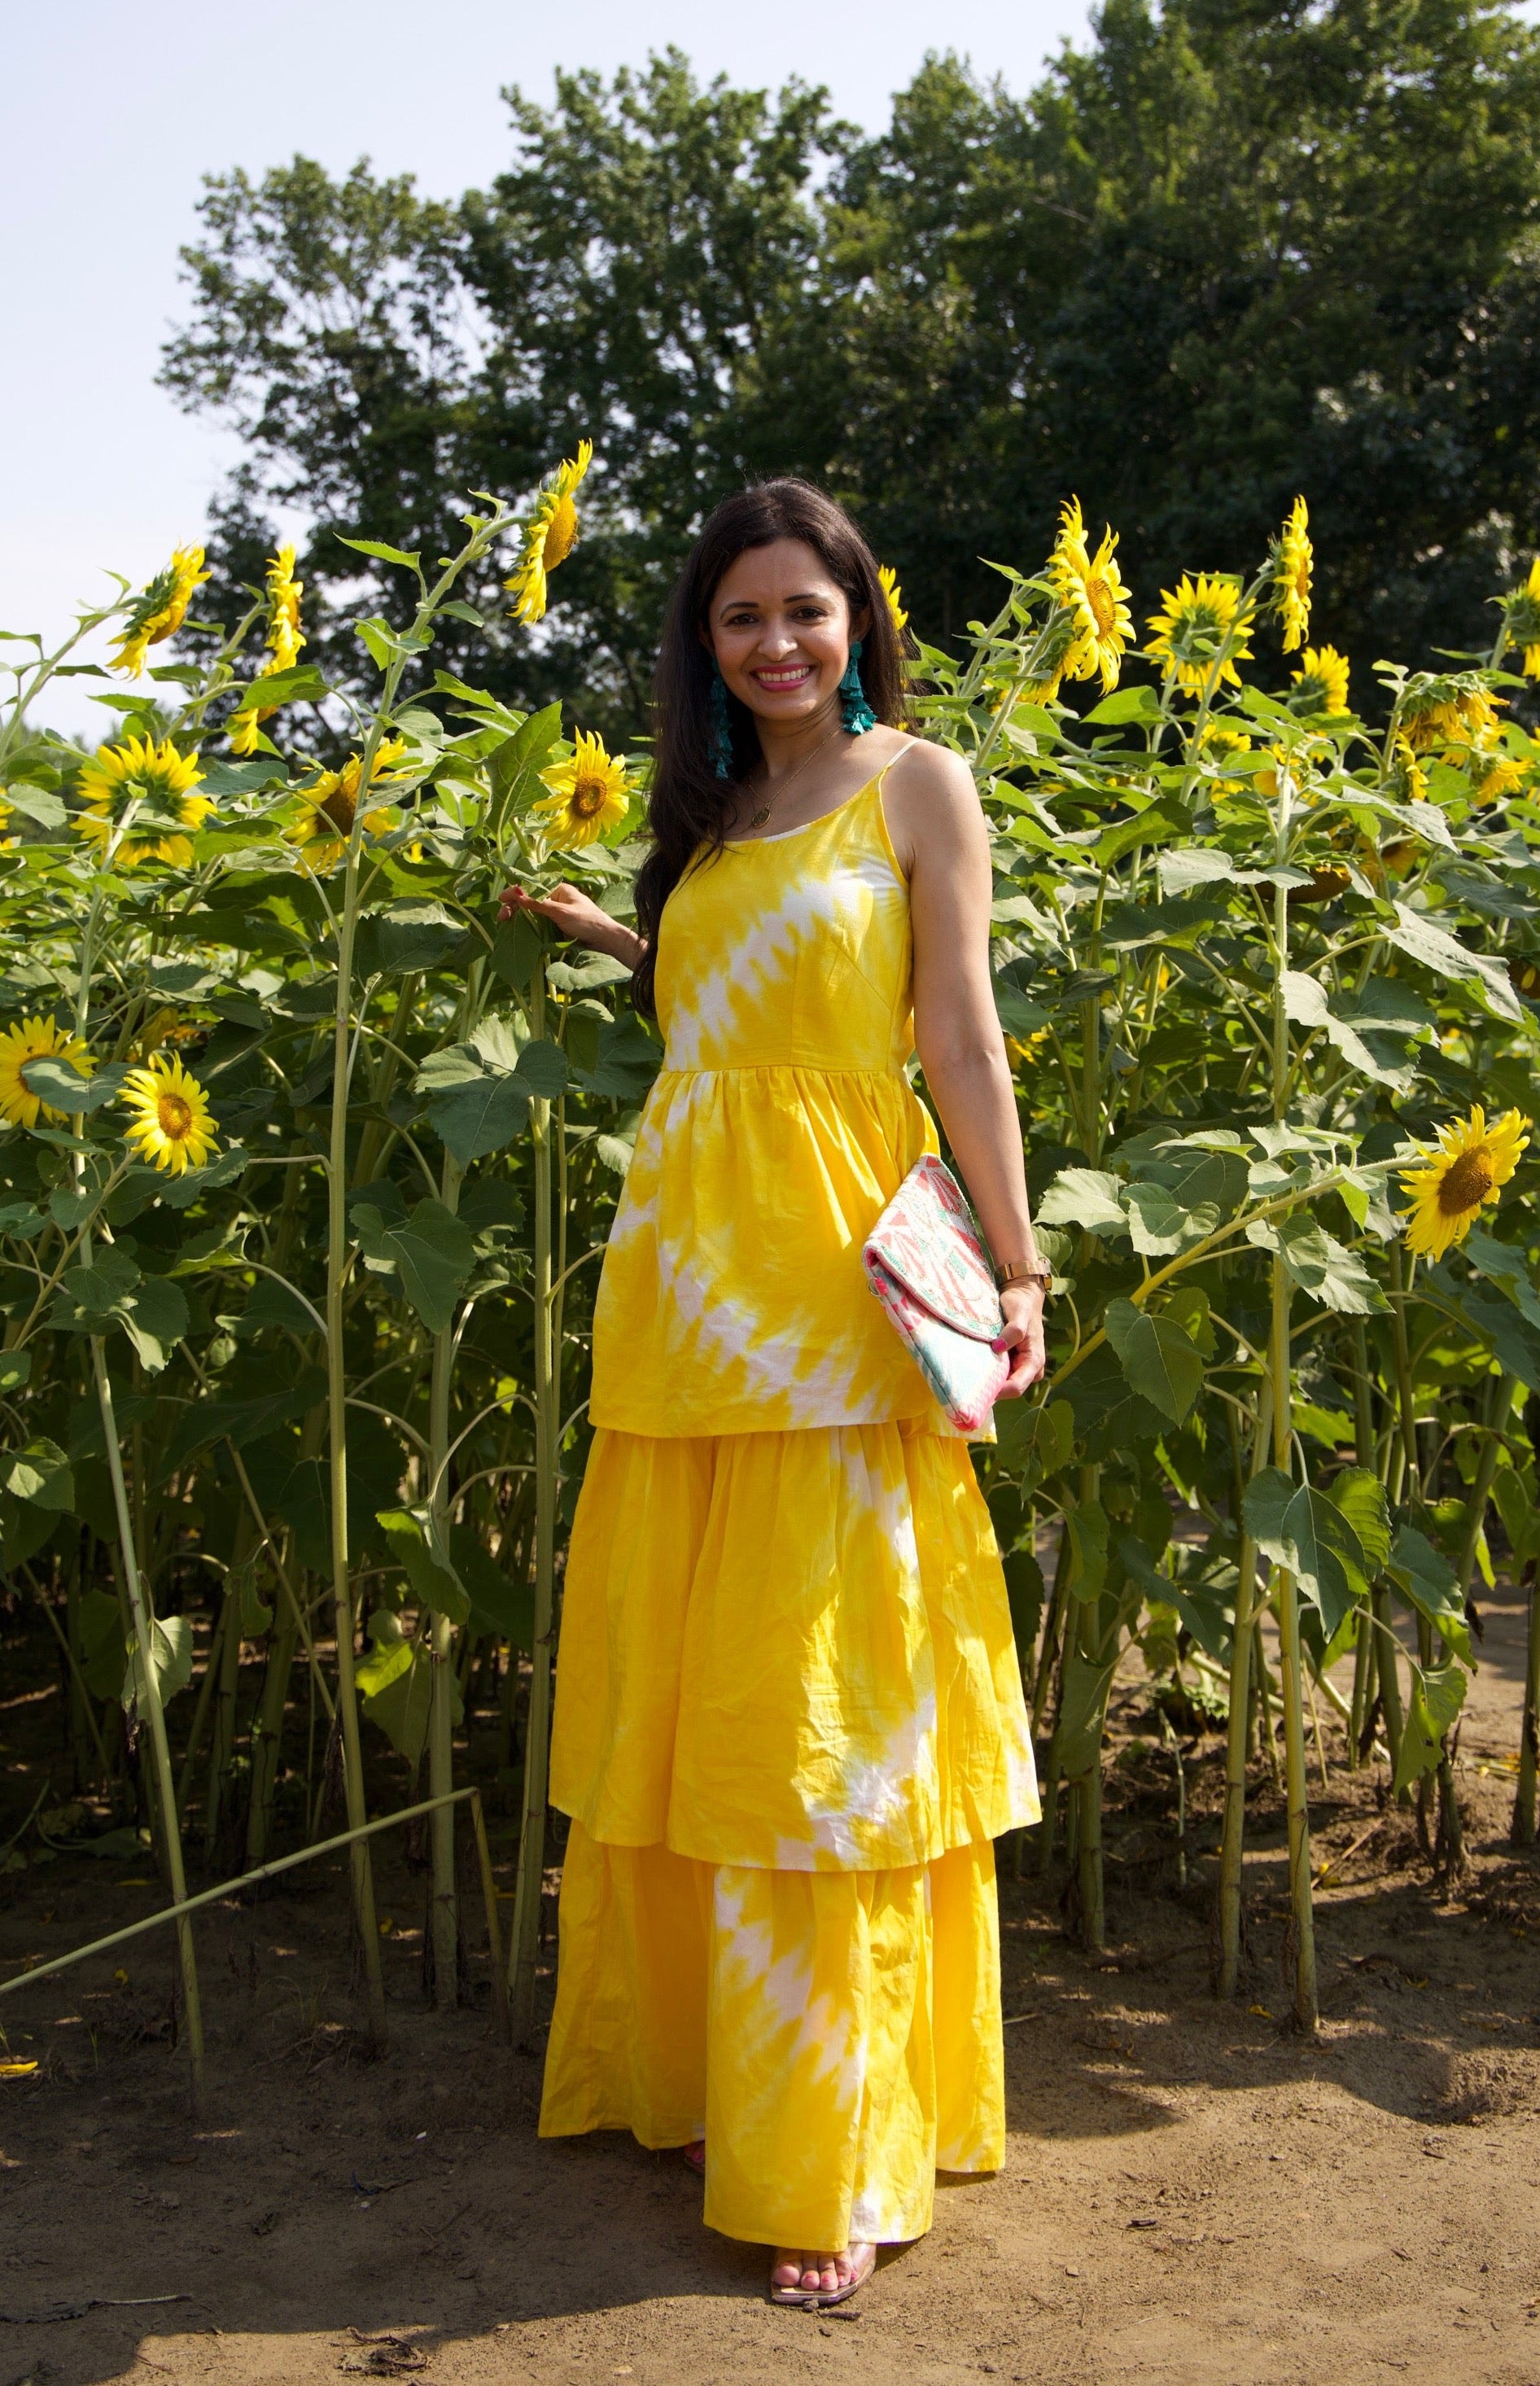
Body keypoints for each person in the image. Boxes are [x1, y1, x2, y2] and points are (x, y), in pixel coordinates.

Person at [499, 477, 1045, 2310]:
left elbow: (946, 1026)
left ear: (857, 618)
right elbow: (725, 1007)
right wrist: (606, 929)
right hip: (683, 1292)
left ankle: (835, 2148)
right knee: (704, 1690)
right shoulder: (718, 811)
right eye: (741, 618)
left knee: (822, 1718)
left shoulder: (917, 785)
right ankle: (706, 2082)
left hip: (829, 1292)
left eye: (806, 611)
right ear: (703, 644)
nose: (777, 643)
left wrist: (1019, 1259)